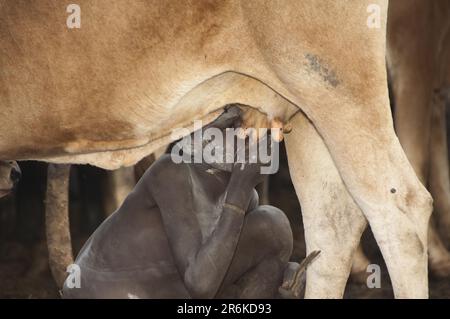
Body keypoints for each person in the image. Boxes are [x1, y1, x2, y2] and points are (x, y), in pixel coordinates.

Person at [62, 106, 316, 299]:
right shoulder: (172, 171)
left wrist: (280, 280)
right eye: (231, 124)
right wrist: (239, 187)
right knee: (272, 227)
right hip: (104, 292)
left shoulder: (245, 198)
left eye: (251, 131)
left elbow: (216, 280)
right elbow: (201, 286)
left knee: (272, 230)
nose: (241, 136)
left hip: (168, 292)